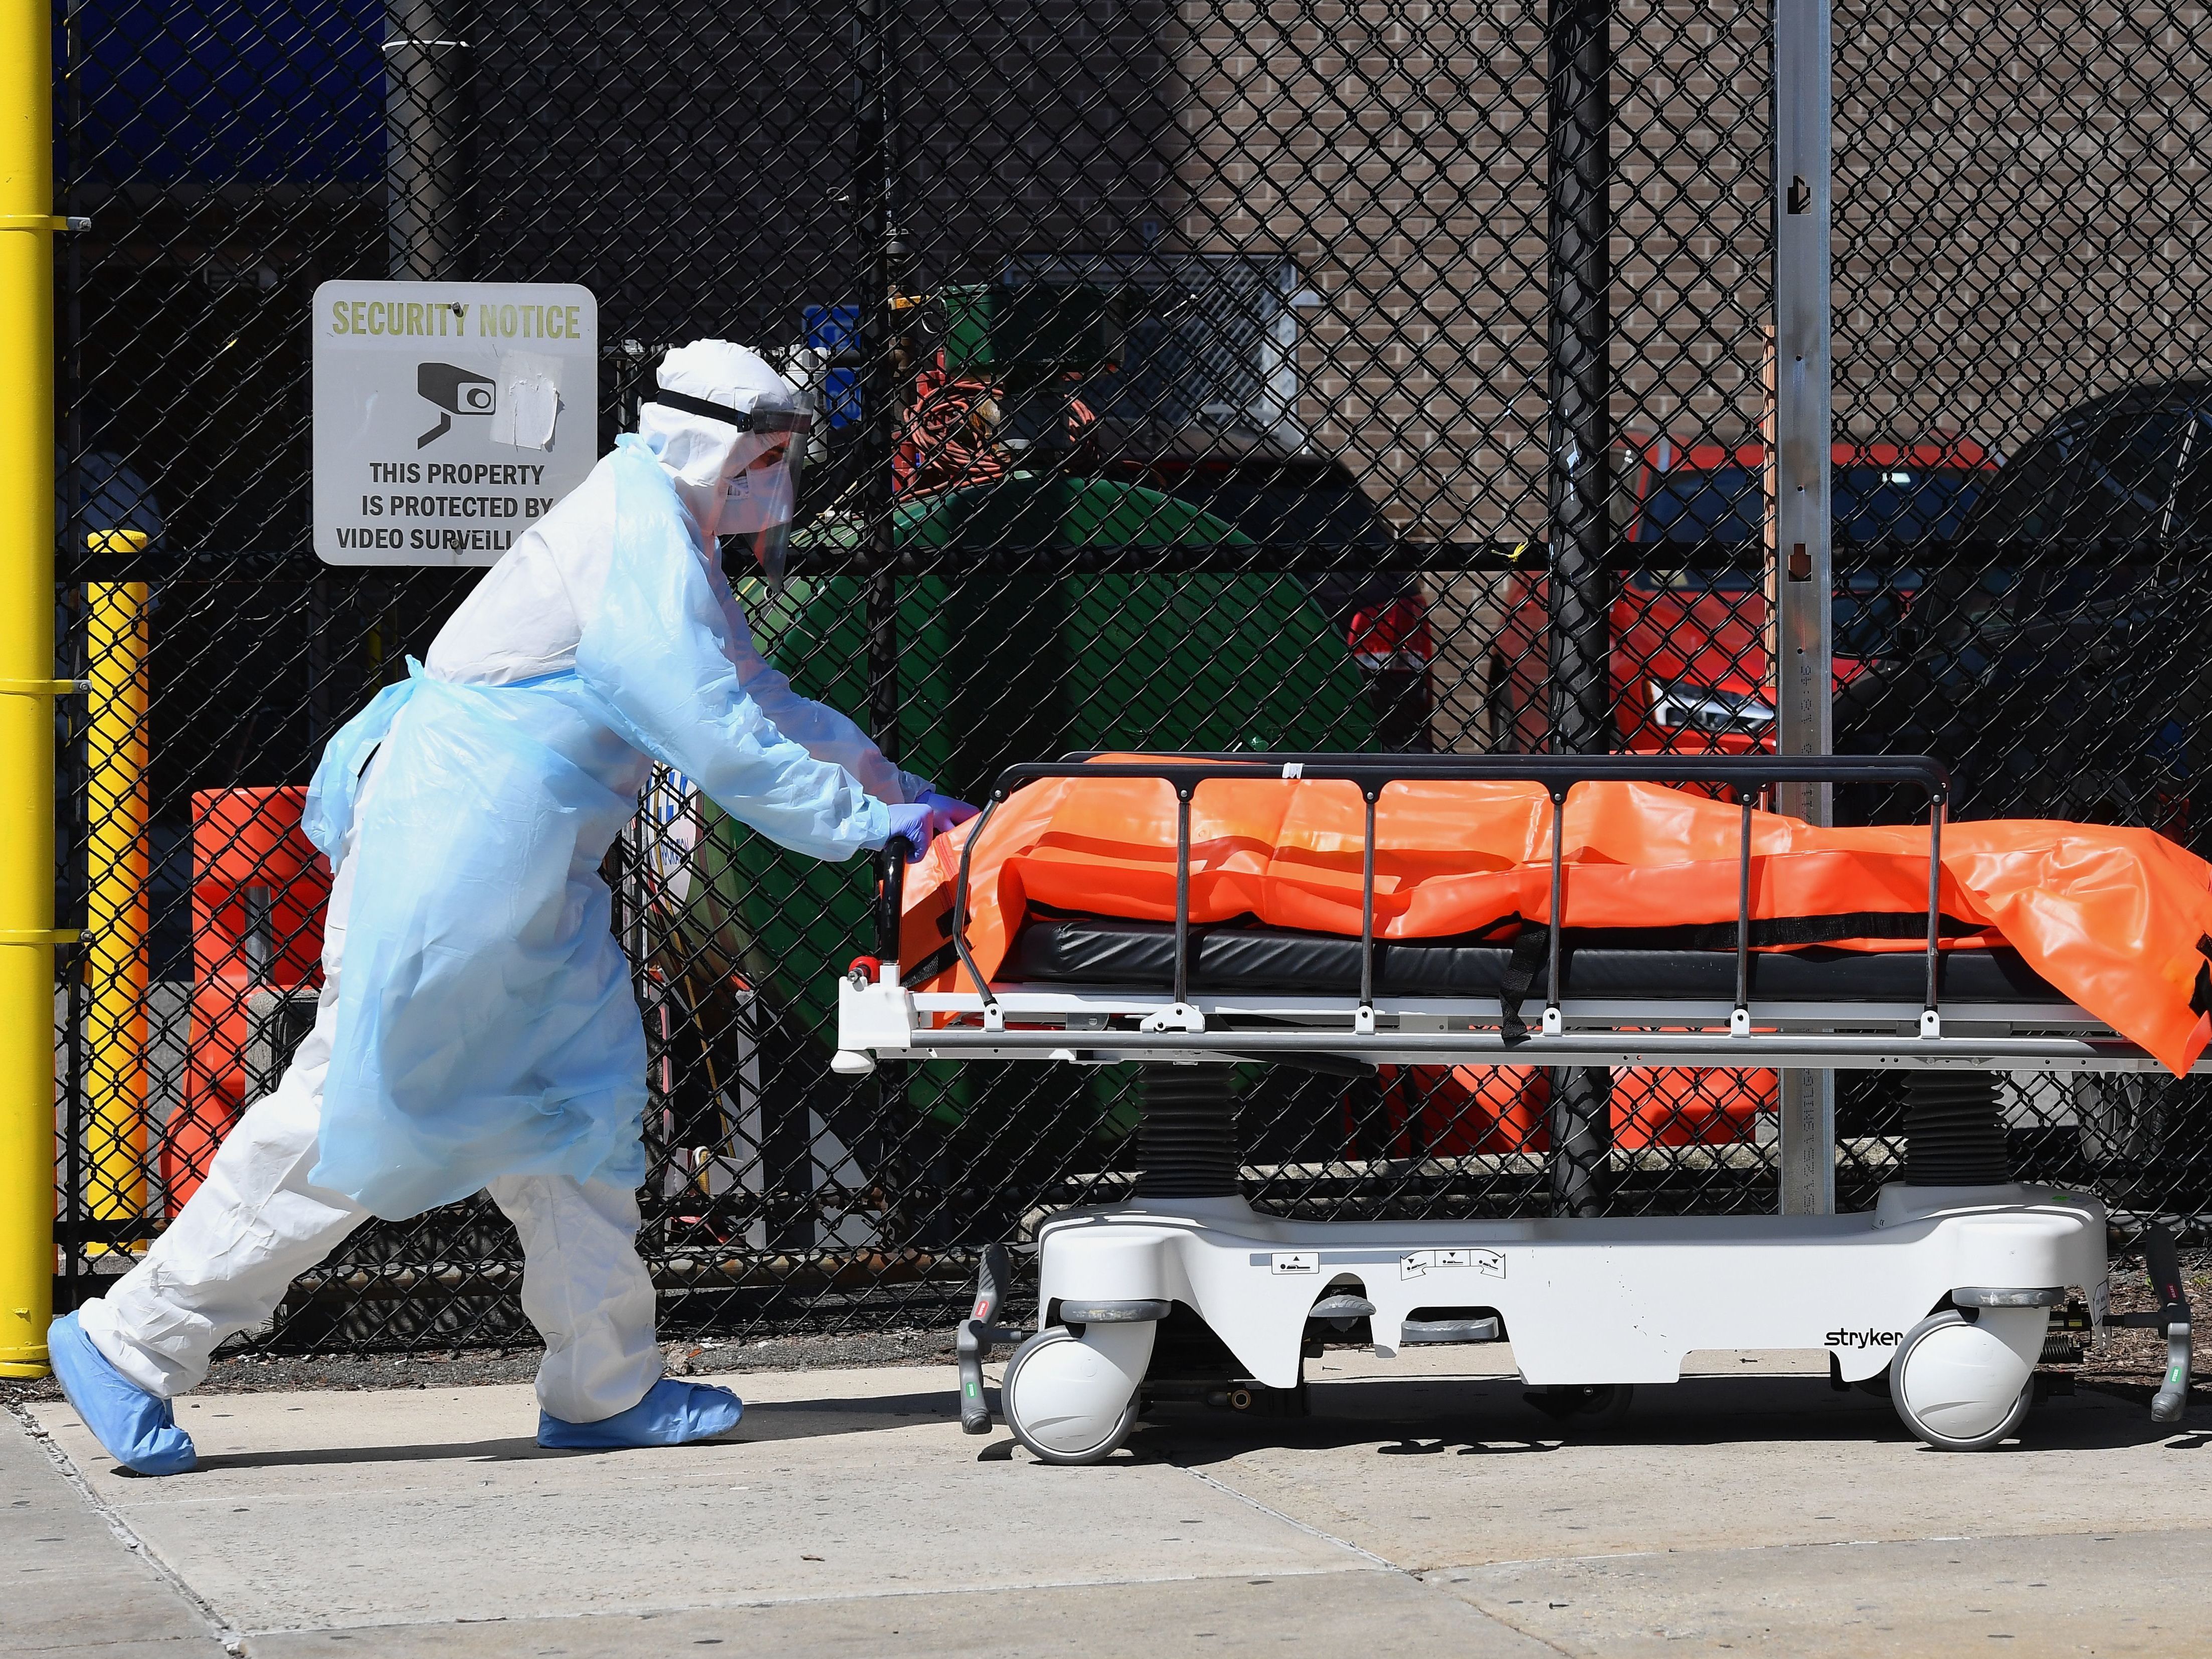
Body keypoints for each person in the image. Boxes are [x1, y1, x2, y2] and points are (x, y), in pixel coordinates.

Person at [47, 340, 977, 1474]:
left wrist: (898, 795)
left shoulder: (660, 530)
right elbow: (706, 719)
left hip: (517, 856)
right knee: (356, 1102)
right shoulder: (636, 529)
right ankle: (129, 1337)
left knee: (575, 1107)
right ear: (706, 442)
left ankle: (604, 1381)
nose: (773, 479)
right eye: (763, 455)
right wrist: (857, 818)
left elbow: (755, 693)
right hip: (466, 848)